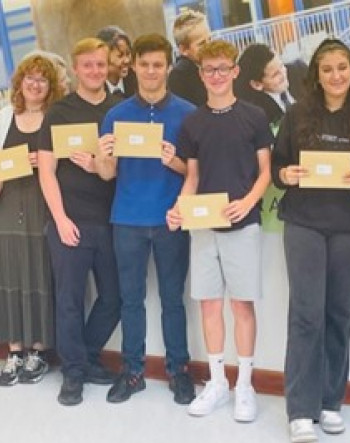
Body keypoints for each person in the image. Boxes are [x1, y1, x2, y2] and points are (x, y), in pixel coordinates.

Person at [271, 39, 350, 443]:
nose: (335, 75)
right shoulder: (296, 115)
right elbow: (278, 166)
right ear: (316, 75)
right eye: (327, 69)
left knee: (339, 313)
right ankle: (300, 410)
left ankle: (330, 401)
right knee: (306, 314)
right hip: (304, 223)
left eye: (342, 67)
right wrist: (285, 176)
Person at [167, 40, 273, 423]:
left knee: (242, 304)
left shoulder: (255, 116)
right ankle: (217, 382)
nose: (216, 75)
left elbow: (266, 173)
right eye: (209, 69)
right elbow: (192, 177)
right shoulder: (192, 122)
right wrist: (179, 209)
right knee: (209, 304)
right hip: (203, 227)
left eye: (222, 68)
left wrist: (247, 202)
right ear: (200, 75)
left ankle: (245, 384)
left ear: (235, 71)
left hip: (243, 225)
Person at [98, 33, 196, 405]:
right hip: (127, 218)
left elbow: (194, 172)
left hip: (171, 218)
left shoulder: (187, 114)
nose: (151, 71)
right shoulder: (116, 115)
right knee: (130, 299)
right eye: (145, 64)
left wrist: (173, 160)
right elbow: (107, 174)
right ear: (133, 67)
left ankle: (178, 371)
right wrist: (105, 155)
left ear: (168, 67)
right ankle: (133, 371)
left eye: (158, 64)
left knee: (173, 299)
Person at [37, 37, 122, 406]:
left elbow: (129, 166)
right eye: (87, 65)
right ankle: (73, 373)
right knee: (69, 299)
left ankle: (84, 356)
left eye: (100, 64)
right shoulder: (59, 112)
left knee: (116, 297)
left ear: (109, 67)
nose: (94, 71)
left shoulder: (120, 110)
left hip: (112, 221)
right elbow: (46, 171)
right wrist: (59, 219)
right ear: (75, 68)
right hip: (69, 221)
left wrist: (101, 166)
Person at [0, 55, 63, 386]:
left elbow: (62, 165)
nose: (35, 84)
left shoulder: (55, 118)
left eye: (42, 80)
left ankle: (38, 351)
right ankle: (15, 349)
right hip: (8, 206)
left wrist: (42, 161)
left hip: (42, 204)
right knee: (11, 274)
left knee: (39, 275)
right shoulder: (4, 117)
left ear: (51, 87)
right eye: (29, 78)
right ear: (19, 83)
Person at [235, 43, 304, 128]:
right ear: (257, 85)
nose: (283, 74)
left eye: (282, 66)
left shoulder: (300, 72)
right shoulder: (255, 113)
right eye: (275, 74)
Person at [168, 10, 211, 106]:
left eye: (210, 39)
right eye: (202, 44)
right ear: (183, 49)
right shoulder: (179, 76)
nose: (209, 46)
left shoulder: (206, 67)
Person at [97, 25, 137, 98]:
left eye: (128, 54)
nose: (127, 60)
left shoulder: (138, 82)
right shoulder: (94, 87)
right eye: (120, 56)